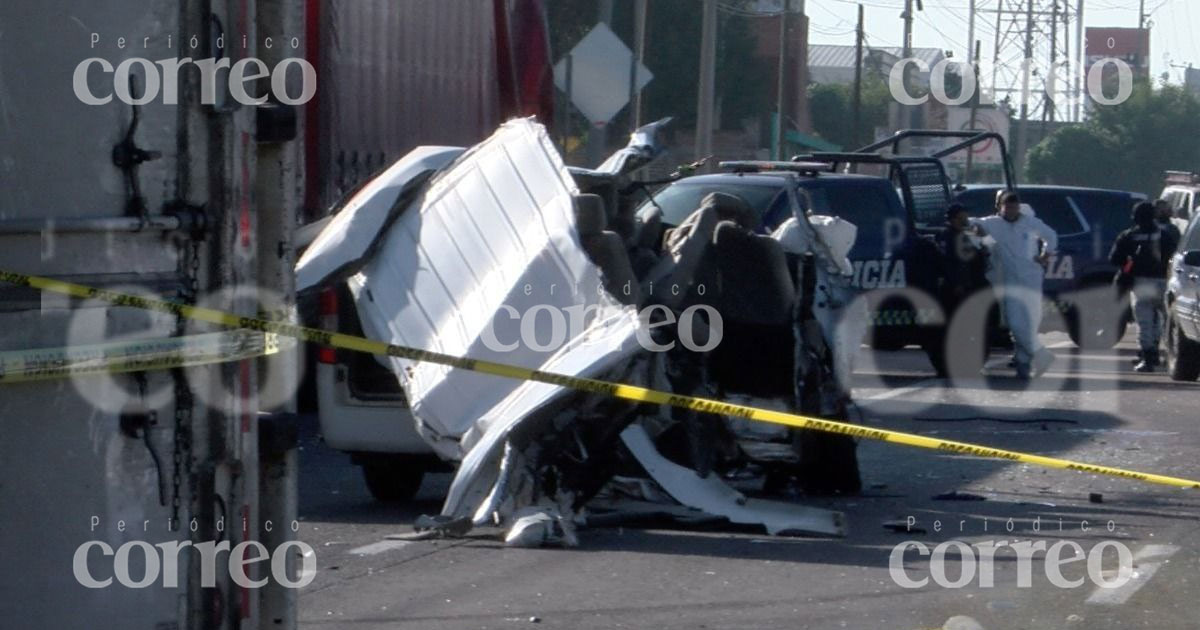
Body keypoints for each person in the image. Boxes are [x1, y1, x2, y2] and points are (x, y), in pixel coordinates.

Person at [970, 191, 1058, 379]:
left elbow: (1051, 236)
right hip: (1010, 281)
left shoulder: (1030, 222)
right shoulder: (993, 223)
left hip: (1032, 278)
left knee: (1030, 323)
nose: (1011, 210)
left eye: (1014, 207)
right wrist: (977, 230)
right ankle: (1041, 355)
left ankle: (1023, 364)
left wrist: (1045, 254)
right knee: (1015, 323)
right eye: (1007, 207)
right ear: (1000, 207)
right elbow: (972, 223)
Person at [1109, 201, 1179, 372]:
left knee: (1145, 322)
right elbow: (1174, 257)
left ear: (1135, 217)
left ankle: (1148, 357)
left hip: (1141, 284)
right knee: (1166, 321)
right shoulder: (1165, 235)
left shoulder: (1128, 235)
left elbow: (1114, 259)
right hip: (1163, 283)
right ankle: (1166, 354)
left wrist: (1130, 264)